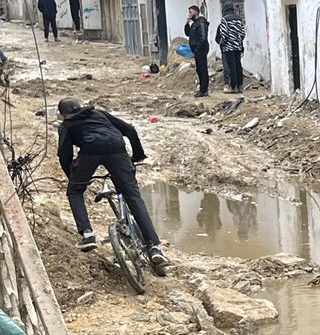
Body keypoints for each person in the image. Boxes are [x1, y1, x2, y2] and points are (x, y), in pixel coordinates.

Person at [54, 97, 167, 270]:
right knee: (133, 196)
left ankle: (88, 234)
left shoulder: (66, 125)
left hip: (89, 152)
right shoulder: (99, 113)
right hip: (117, 149)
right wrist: (137, 155)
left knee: (74, 192)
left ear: (62, 114)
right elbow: (129, 130)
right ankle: (154, 246)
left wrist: (74, 177)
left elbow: (64, 155)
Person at [214, 7, 246, 94]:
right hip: (238, 47)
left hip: (228, 47)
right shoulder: (239, 19)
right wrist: (238, 41)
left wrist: (223, 43)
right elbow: (243, 33)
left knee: (231, 66)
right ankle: (240, 86)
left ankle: (233, 86)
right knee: (238, 65)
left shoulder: (225, 20)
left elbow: (224, 34)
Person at [184, 6, 211, 97]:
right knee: (199, 69)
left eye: (190, 12)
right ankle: (202, 89)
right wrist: (187, 23)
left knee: (202, 69)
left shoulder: (201, 23)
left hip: (201, 50)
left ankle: (204, 90)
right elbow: (187, 33)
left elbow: (203, 38)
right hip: (196, 50)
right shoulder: (194, 24)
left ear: (195, 12)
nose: (189, 14)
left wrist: (198, 48)